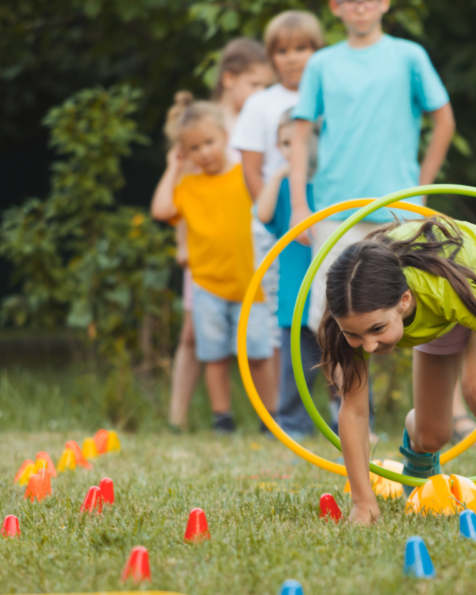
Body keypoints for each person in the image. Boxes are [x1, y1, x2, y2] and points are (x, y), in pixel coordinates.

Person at [318, 216, 476, 525]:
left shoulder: (441, 288)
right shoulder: (351, 313)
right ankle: (417, 451)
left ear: (404, 301)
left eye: (377, 329)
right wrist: (363, 502)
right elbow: (355, 411)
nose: (369, 347)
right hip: (437, 313)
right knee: (433, 435)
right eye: (355, 335)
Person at [287, 0, 456, 334]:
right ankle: (350, 389)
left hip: (400, 211)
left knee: (421, 314)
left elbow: (444, 121)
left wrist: (421, 189)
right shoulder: (321, 63)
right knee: (334, 320)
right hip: (335, 210)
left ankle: (430, 388)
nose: (360, 8)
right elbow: (300, 135)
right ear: (335, 7)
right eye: (350, 1)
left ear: (384, 3)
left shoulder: (409, 56)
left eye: (368, 0)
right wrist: (297, 206)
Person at [151, 93, 273, 434]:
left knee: (259, 356)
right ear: (184, 152)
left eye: (209, 142)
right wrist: (174, 167)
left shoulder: (243, 176)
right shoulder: (187, 186)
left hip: (252, 285)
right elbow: (161, 211)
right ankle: (223, 419)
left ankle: (272, 419)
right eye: (193, 148)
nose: (203, 152)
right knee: (214, 356)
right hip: (207, 286)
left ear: (225, 138)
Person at [256, 110, 379, 441]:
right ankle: (293, 423)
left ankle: (357, 424)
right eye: (284, 144)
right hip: (294, 295)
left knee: (348, 361)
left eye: (300, 142)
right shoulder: (286, 189)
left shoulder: (332, 188)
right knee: (296, 369)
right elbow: (263, 214)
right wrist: (281, 174)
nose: (292, 149)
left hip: (333, 299)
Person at [232, 14, 324, 421]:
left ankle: (342, 409)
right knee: (282, 320)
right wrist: (275, 220)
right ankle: (284, 414)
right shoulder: (260, 103)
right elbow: (251, 169)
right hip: (277, 223)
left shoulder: (328, 96)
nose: (292, 59)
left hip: (324, 216)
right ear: (271, 58)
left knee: (327, 310)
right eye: (282, 51)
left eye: (301, 49)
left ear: (317, 51)